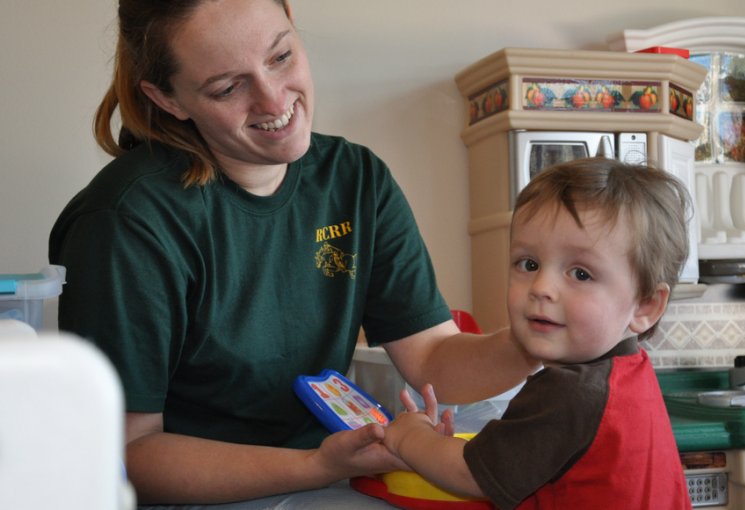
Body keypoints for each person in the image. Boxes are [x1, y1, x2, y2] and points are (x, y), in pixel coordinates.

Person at [47, 0, 537, 507]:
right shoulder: (127, 222)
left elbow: (434, 357)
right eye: (228, 87)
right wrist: (318, 464)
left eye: (281, 57)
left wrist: (531, 344)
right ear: (168, 99)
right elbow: (129, 451)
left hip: (325, 477)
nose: (273, 98)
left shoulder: (356, 180)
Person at [383, 157, 693, 509]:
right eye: (528, 264)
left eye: (580, 274)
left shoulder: (569, 392)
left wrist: (410, 437)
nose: (542, 287)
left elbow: (468, 474)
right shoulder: (628, 374)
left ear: (646, 306)